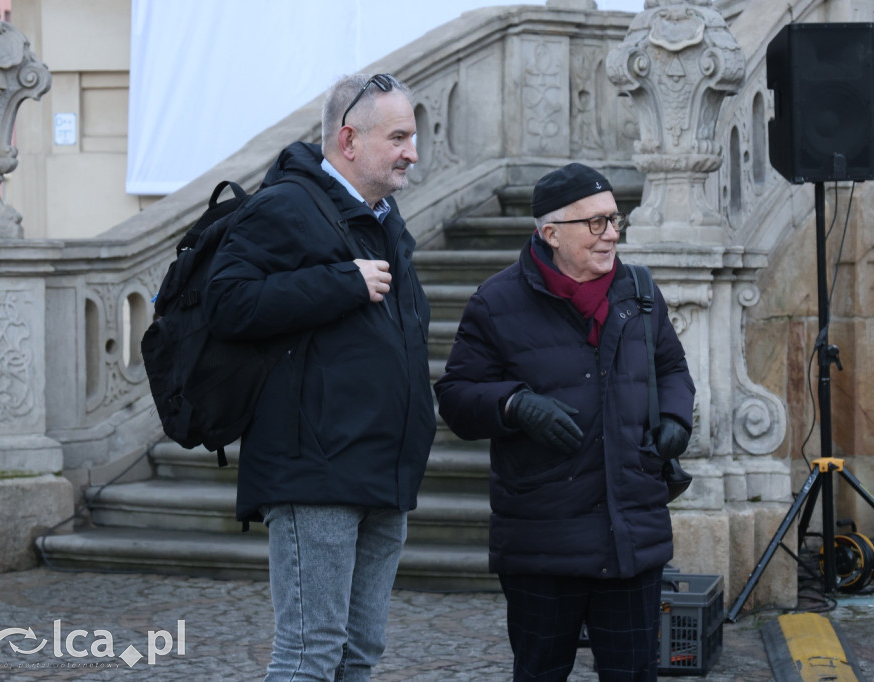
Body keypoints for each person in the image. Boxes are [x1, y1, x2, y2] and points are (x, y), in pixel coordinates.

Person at [204, 73, 436, 681]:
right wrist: (341, 283)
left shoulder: (383, 215)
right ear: (349, 139)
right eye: (400, 137)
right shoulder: (286, 205)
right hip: (317, 470)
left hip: (383, 471)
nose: (413, 151)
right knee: (310, 655)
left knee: (358, 655)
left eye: (413, 136)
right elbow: (225, 302)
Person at [434, 163, 696, 681]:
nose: (612, 234)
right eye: (595, 223)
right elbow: (456, 398)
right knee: (539, 673)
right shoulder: (496, 301)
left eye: (614, 220)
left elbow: (672, 368)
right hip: (541, 539)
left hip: (630, 532)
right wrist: (514, 405)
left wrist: (674, 418)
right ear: (550, 233)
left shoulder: (640, 290)